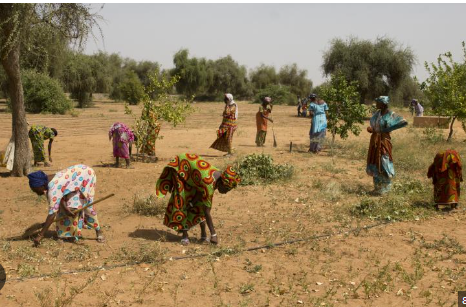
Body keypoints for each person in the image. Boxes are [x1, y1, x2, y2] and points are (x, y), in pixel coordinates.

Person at [156, 153, 241, 245]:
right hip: (181, 167)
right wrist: (214, 234)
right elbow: (207, 212)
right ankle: (185, 236)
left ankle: (203, 235)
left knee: (199, 203)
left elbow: (201, 191)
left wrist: (192, 203)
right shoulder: (209, 183)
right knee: (183, 199)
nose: (225, 192)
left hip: (191, 171)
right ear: (222, 183)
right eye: (226, 189)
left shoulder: (218, 177)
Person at [27, 164, 104, 246]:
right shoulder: (48, 181)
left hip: (86, 175)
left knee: (87, 206)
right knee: (65, 208)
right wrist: (65, 207)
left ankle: (98, 231)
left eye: (36, 190)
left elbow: (52, 214)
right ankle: (66, 234)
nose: (36, 193)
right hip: (76, 176)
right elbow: (60, 195)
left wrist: (40, 235)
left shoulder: (52, 190)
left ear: (41, 185)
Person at [366, 96, 408, 194]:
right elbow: (373, 126)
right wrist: (372, 130)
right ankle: (377, 188)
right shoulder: (377, 114)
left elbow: (403, 122)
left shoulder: (390, 114)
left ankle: (385, 189)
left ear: (383, 104)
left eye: (378, 103)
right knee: (375, 161)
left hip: (384, 141)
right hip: (375, 140)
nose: (376, 104)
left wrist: (385, 130)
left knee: (384, 160)